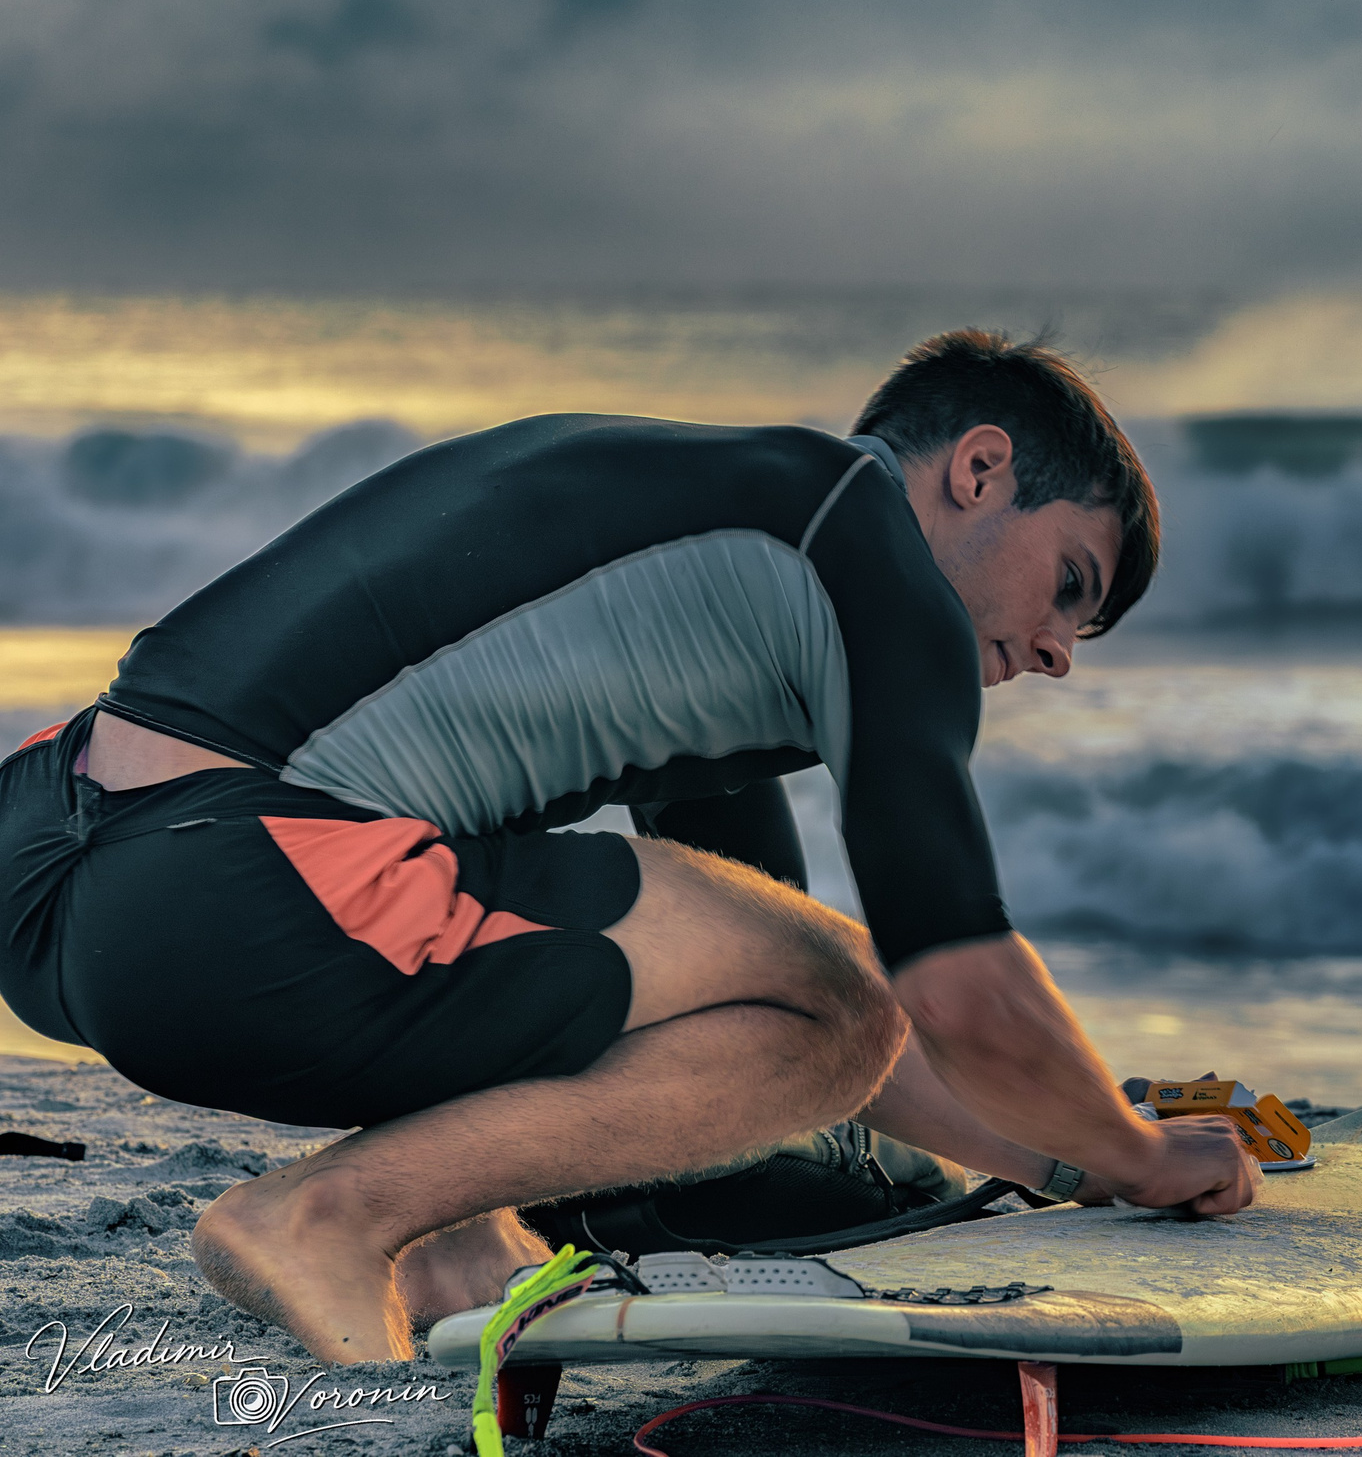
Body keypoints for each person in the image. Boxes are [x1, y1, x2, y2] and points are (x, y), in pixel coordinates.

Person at [0, 330, 1261, 1363]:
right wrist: (1138, 1154)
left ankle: (445, 1240)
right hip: (229, 885)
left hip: (68, 863)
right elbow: (934, 984)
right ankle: (327, 1216)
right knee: (835, 994)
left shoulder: (711, 565)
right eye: (1071, 587)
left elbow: (782, 1034)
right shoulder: (861, 544)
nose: (1054, 651)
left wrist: (1059, 1156)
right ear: (979, 471)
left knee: (766, 982)